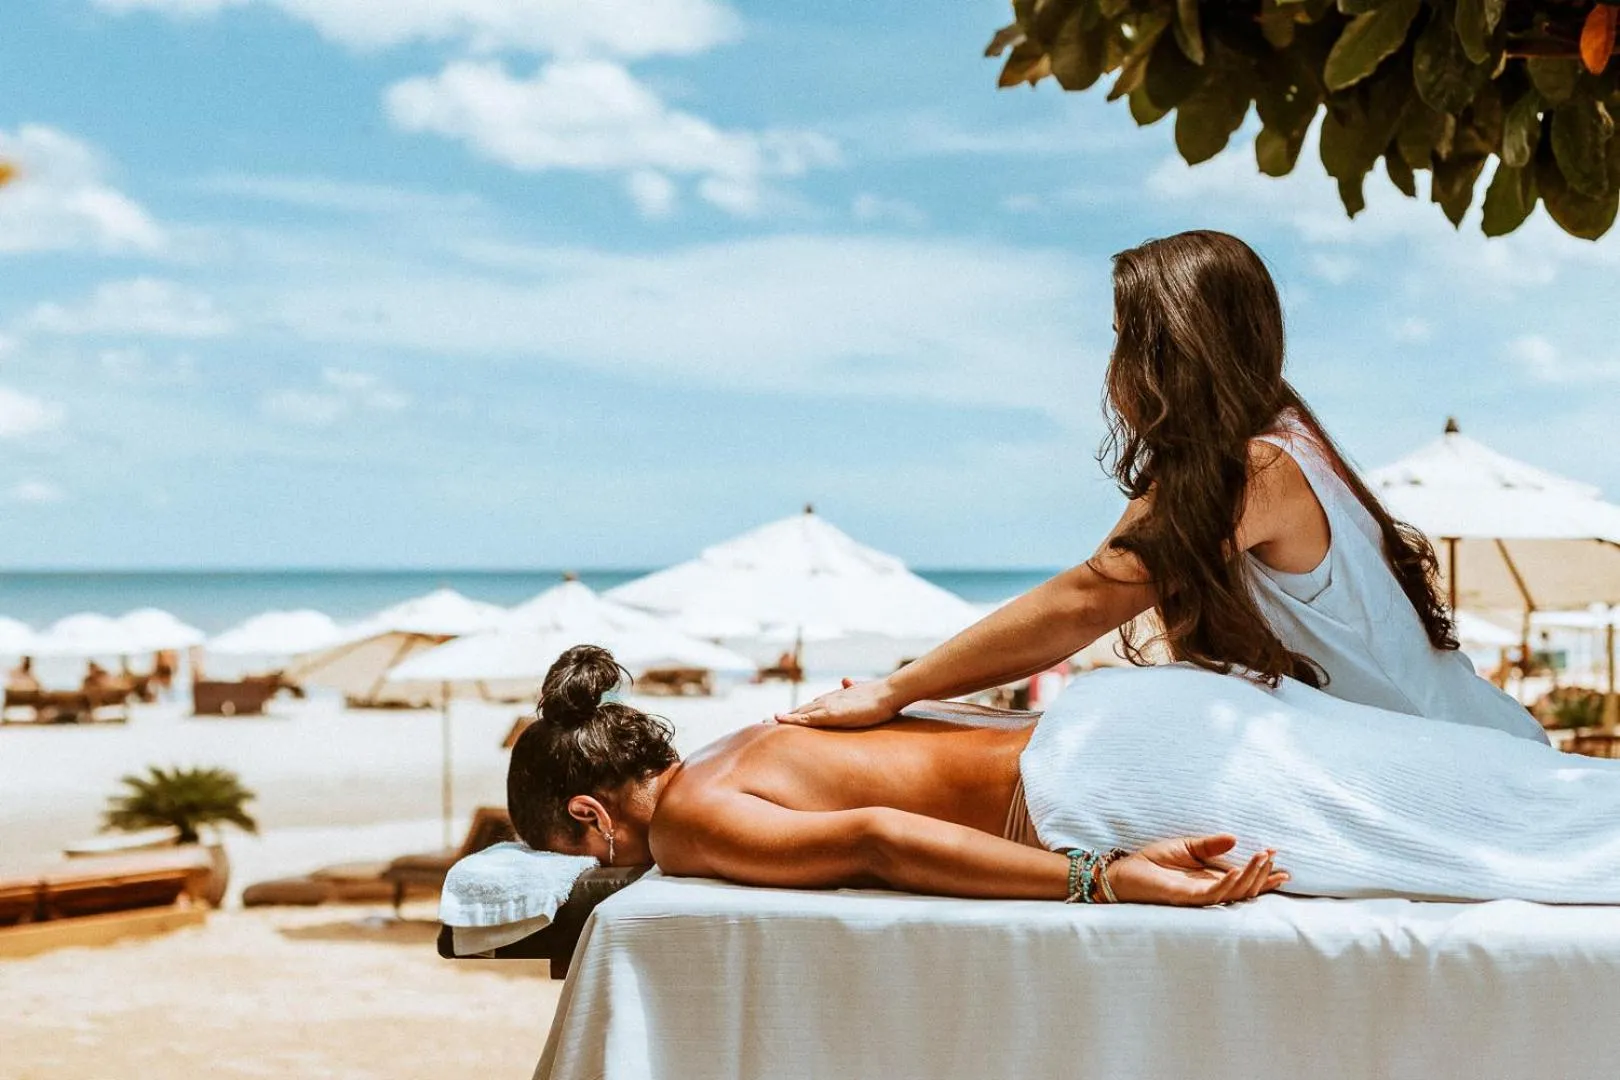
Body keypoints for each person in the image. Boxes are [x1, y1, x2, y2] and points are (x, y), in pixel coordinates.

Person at [778, 231, 1545, 745]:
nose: (1112, 367)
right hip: (1472, 744)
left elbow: (1088, 597)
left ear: (1168, 352)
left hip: (1465, 772)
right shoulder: (1292, 444)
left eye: (1122, 340)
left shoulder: (1255, 469)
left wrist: (895, 691)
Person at [510, 647, 1620, 908]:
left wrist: (1103, 877)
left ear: (589, 814)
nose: (608, 871)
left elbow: (881, 843)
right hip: (1134, 711)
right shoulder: (745, 741)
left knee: (1491, 846)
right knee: (1488, 789)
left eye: (586, 860)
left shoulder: (697, 818)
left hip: (1108, 779)